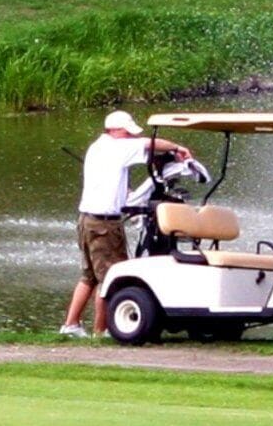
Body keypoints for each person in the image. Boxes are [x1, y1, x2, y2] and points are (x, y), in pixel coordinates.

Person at [61, 109, 193, 336]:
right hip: (104, 225)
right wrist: (177, 148)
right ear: (115, 130)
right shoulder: (117, 147)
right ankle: (101, 332)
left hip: (86, 220)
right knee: (111, 278)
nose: (131, 136)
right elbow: (151, 144)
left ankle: (71, 325)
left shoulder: (97, 147)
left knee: (89, 277)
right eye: (128, 132)